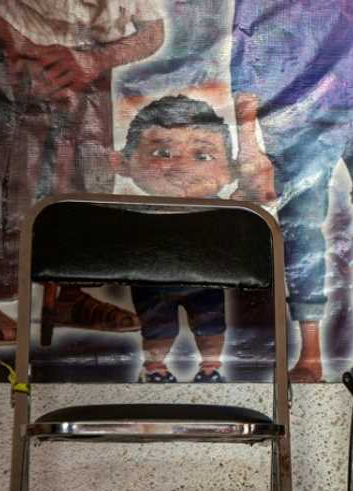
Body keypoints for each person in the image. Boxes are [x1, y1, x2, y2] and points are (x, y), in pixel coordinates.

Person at [230, 0, 353, 381]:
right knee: (301, 221)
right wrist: (247, 139)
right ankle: (310, 347)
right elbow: (245, 37)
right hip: (299, 101)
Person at [0, 0, 164, 348]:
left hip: (86, 63)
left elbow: (153, 30)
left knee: (83, 176)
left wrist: (96, 60)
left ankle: (69, 296)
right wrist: (20, 45)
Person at [114, 92, 276, 382]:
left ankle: (211, 369)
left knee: (211, 326)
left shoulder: (227, 207)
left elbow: (251, 206)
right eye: (162, 153)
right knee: (157, 328)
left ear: (229, 170)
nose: (181, 167)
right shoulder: (133, 210)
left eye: (202, 155)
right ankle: (155, 369)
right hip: (152, 282)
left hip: (208, 280)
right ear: (122, 162)